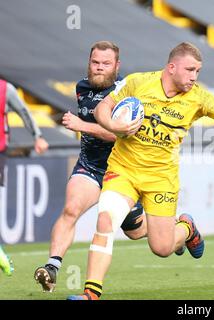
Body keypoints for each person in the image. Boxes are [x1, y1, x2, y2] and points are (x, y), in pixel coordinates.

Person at [67, 42, 214, 300]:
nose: (193, 77)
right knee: (105, 220)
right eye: (190, 70)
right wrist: (115, 126)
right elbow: (101, 109)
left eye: (197, 71)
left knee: (161, 248)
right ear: (171, 67)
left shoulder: (197, 97)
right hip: (124, 171)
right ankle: (91, 294)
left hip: (161, 179)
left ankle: (186, 228)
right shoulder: (137, 82)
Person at [34, 41, 146, 292]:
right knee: (71, 209)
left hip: (122, 172)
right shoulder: (82, 87)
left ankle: (179, 232)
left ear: (117, 66)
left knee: (138, 233)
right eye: (95, 63)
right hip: (90, 166)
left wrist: (80, 125)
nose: (99, 68)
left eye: (106, 64)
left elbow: (118, 135)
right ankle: (51, 268)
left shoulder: (126, 91)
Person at [0, 79, 49, 276]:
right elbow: (23, 112)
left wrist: (37, 136)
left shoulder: (5, 89)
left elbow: (23, 112)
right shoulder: (5, 88)